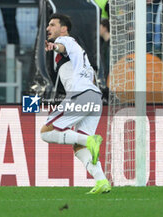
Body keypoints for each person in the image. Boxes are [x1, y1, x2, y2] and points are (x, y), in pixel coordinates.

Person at [41, 13, 111, 194]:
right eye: (48, 25)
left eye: (52, 24)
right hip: (95, 97)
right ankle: (102, 181)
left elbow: (61, 47)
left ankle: (90, 140)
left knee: (46, 133)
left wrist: (54, 46)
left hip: (81, 95)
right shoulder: (80, 54)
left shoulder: (67, 40)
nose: (48, 28)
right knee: (79, 147)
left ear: (63, 29)